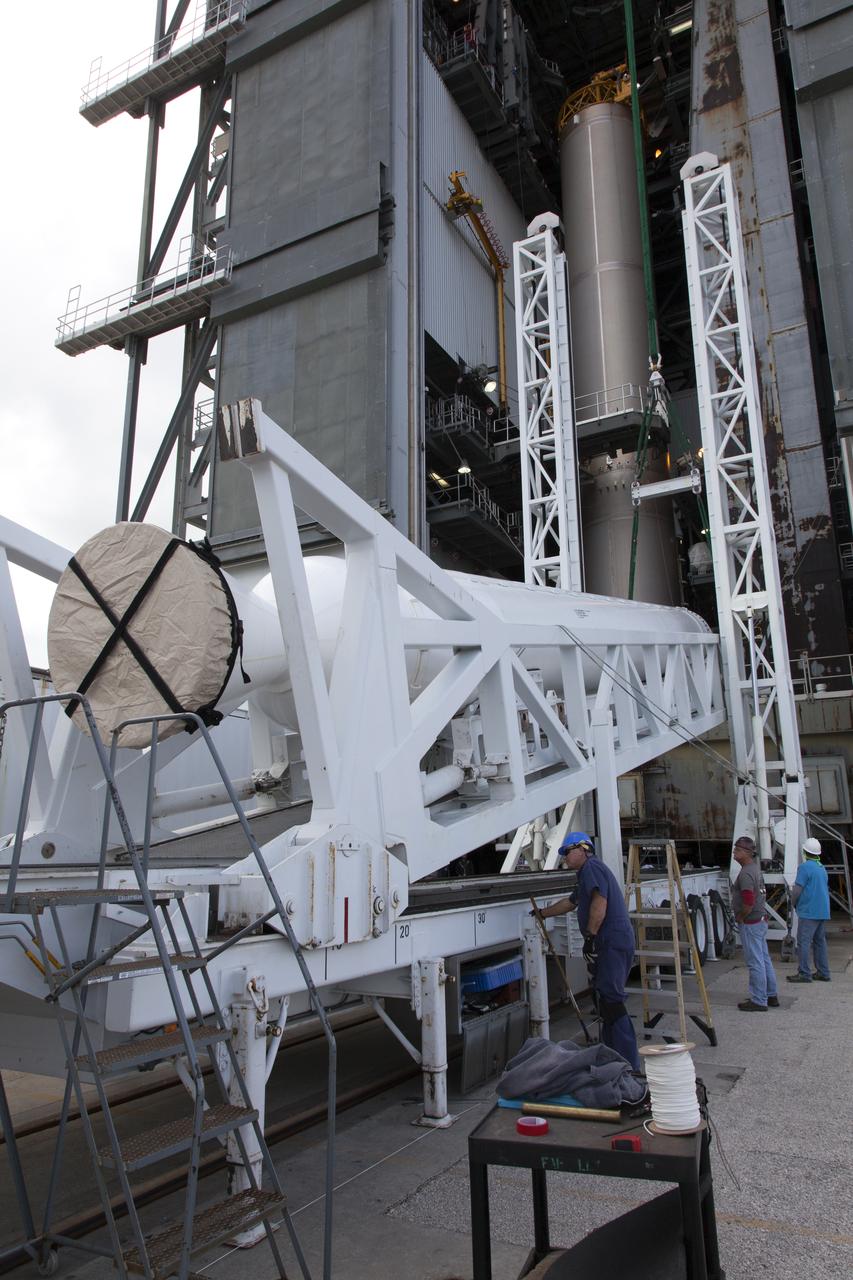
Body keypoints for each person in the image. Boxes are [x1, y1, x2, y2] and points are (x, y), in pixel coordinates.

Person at [536, 832, 640, 1070]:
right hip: (610, 942)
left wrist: (591, 937)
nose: (564, 857)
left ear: (583, 849)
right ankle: (613, 1057)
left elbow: (599, 902)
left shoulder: (592, 867)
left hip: (610, 941)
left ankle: (629, 1065)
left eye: (567, 852)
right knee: (604, 999)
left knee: (612, 1001)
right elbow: (571, 903)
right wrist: (543, 913)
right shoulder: (585, 874)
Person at [731, 835, 779, 1011]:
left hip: (751, 922)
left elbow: (748, 901)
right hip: (760, 920)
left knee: (755, 961)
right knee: (764, 958)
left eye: (737, 850)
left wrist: (741, 916)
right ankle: (771, 994)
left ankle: (759, 1000)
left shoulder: (746, 874)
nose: (734, 852)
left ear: (745, 852)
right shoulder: (754, 869)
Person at [787, 837, 831, 984]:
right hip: (822, 910)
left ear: (805, 852)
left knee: (804, 942)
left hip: (809, 911)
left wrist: (792, 903)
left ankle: (804, 973)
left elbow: (797, 890)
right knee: (820, 942)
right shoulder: (821, 868)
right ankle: (823, 972)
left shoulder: (804, 868)